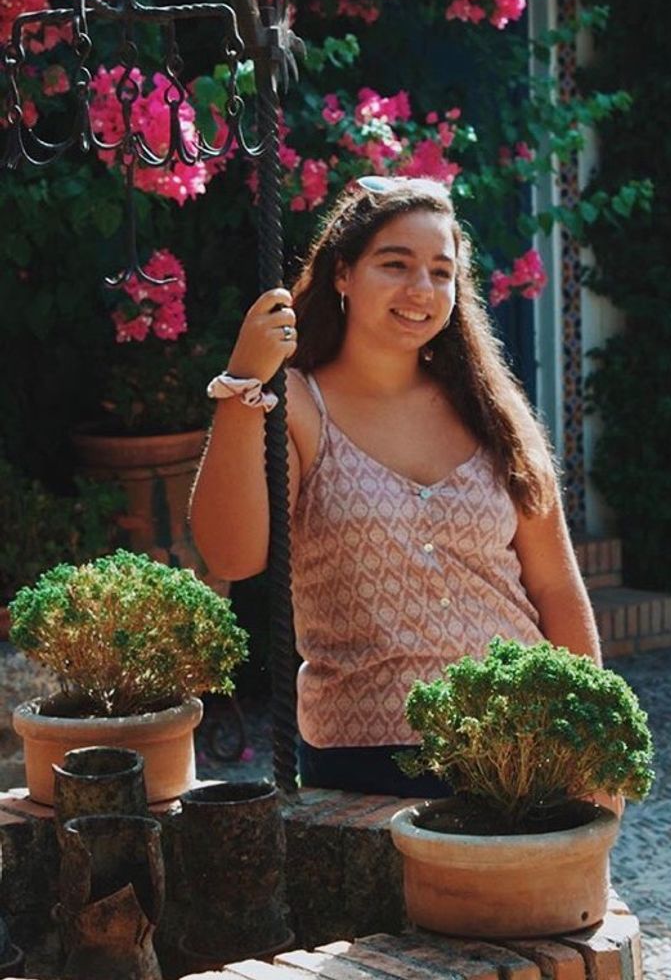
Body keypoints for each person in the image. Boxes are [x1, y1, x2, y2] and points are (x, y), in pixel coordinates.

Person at [190, 175, 605, 799]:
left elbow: (553, 584)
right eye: (396, 263)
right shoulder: (298, 405)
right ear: (342, 274)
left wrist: (595, 745)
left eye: (442, 271)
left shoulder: (491, 407)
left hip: (523, 743)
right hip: (369, 757)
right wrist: (243, 384)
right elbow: (232, 555)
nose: (421, 289)